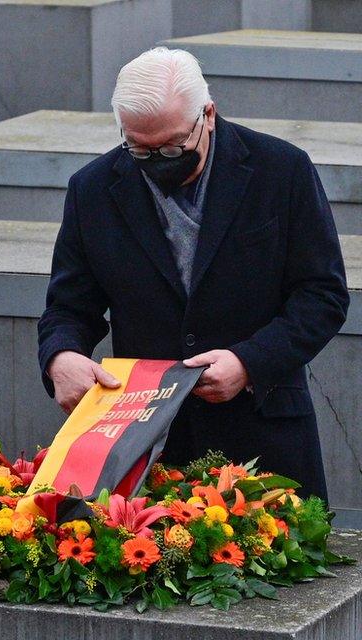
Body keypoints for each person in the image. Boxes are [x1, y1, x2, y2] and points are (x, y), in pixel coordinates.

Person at [38, 47, 348, 500]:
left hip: (265, 438)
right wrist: (59, 357)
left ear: (209, 114)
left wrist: (249, 361)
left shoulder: (282, 170)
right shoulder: (93, 188)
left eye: (172, 146)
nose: (158, 160)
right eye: (140, 149)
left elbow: (323, 295)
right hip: (149, 448)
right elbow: (68, 307)